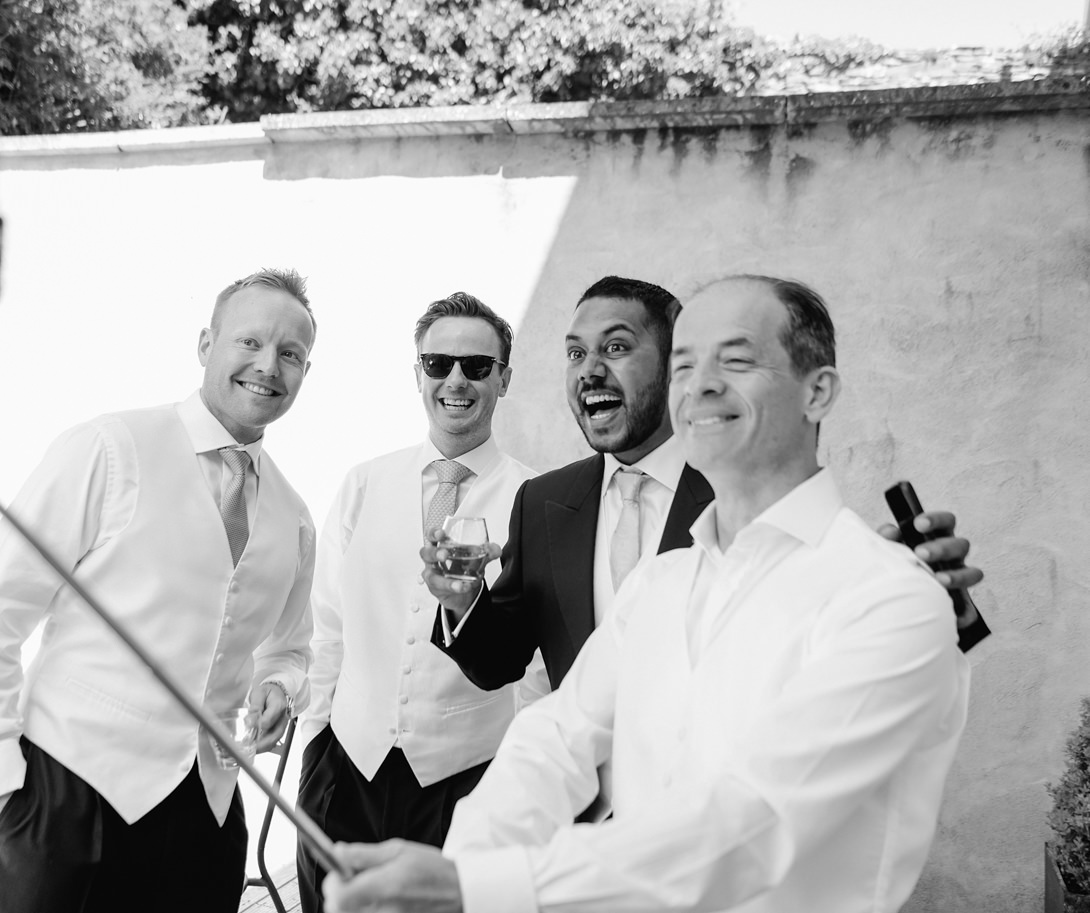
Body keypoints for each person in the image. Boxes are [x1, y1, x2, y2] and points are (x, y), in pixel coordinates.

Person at [325, 275, 970, 913]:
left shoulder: (893, 598)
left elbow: (756, 824)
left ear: (817, 391)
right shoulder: (662, 585)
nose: (700, 384)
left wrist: (479, 888)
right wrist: (459, 870)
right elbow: (553, 743)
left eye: (735, 359)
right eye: (685, 364)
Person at [0, 268, 318, 913]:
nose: (268, 365)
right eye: (250, 342)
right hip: (64, 796)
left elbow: (290, 647)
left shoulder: (295, 516)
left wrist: (279, 684)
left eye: (290, 354)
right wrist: (1, 787)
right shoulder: (108, 448)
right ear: (206, 344)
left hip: (205, 817)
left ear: (305, 371)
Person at [428, 276, 987, 706]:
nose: (589, 372)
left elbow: (839, 649)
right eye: (576, 353)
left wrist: (931, 606)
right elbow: (500, 662)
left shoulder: (742, 488)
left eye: (616, 348)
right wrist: (463, 602)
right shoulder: (543, 502)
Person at [297, 293, 542, 913]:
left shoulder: (536, 501)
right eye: (438, 364)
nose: (455, 380)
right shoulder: (364, 482)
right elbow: (328, 624)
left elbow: (540, 665)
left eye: (477, 366)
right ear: (418, 374)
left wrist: (519, 784)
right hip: (346, 766)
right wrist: (316, 743)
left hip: (469, 779)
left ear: (504, 379)